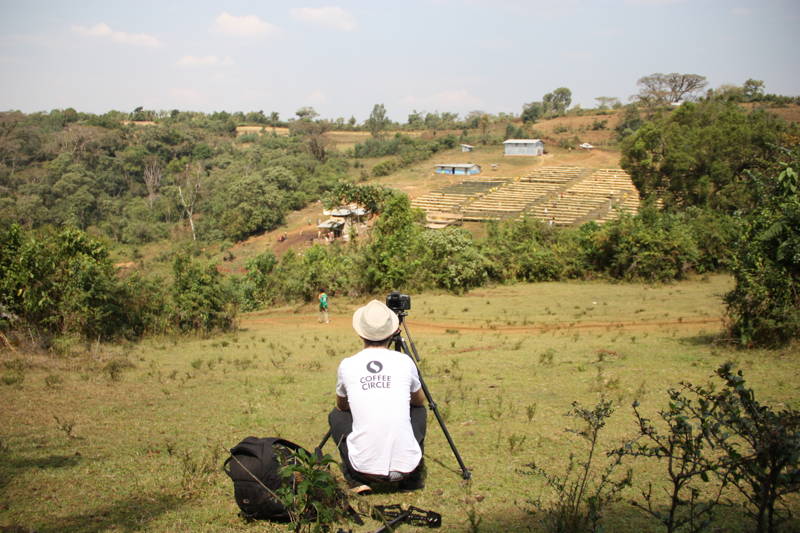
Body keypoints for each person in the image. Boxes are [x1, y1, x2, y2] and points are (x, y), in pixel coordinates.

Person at [328, 300, 427, 494]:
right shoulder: (405, 361)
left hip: (363, 471)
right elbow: (419, 401)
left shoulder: (348, 365)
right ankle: (412, 478)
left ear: (360, 333)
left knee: (336, 415)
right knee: (419, 411)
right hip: (406, 470)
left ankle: (354, 479)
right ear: (392, 332)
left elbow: (341, 406)